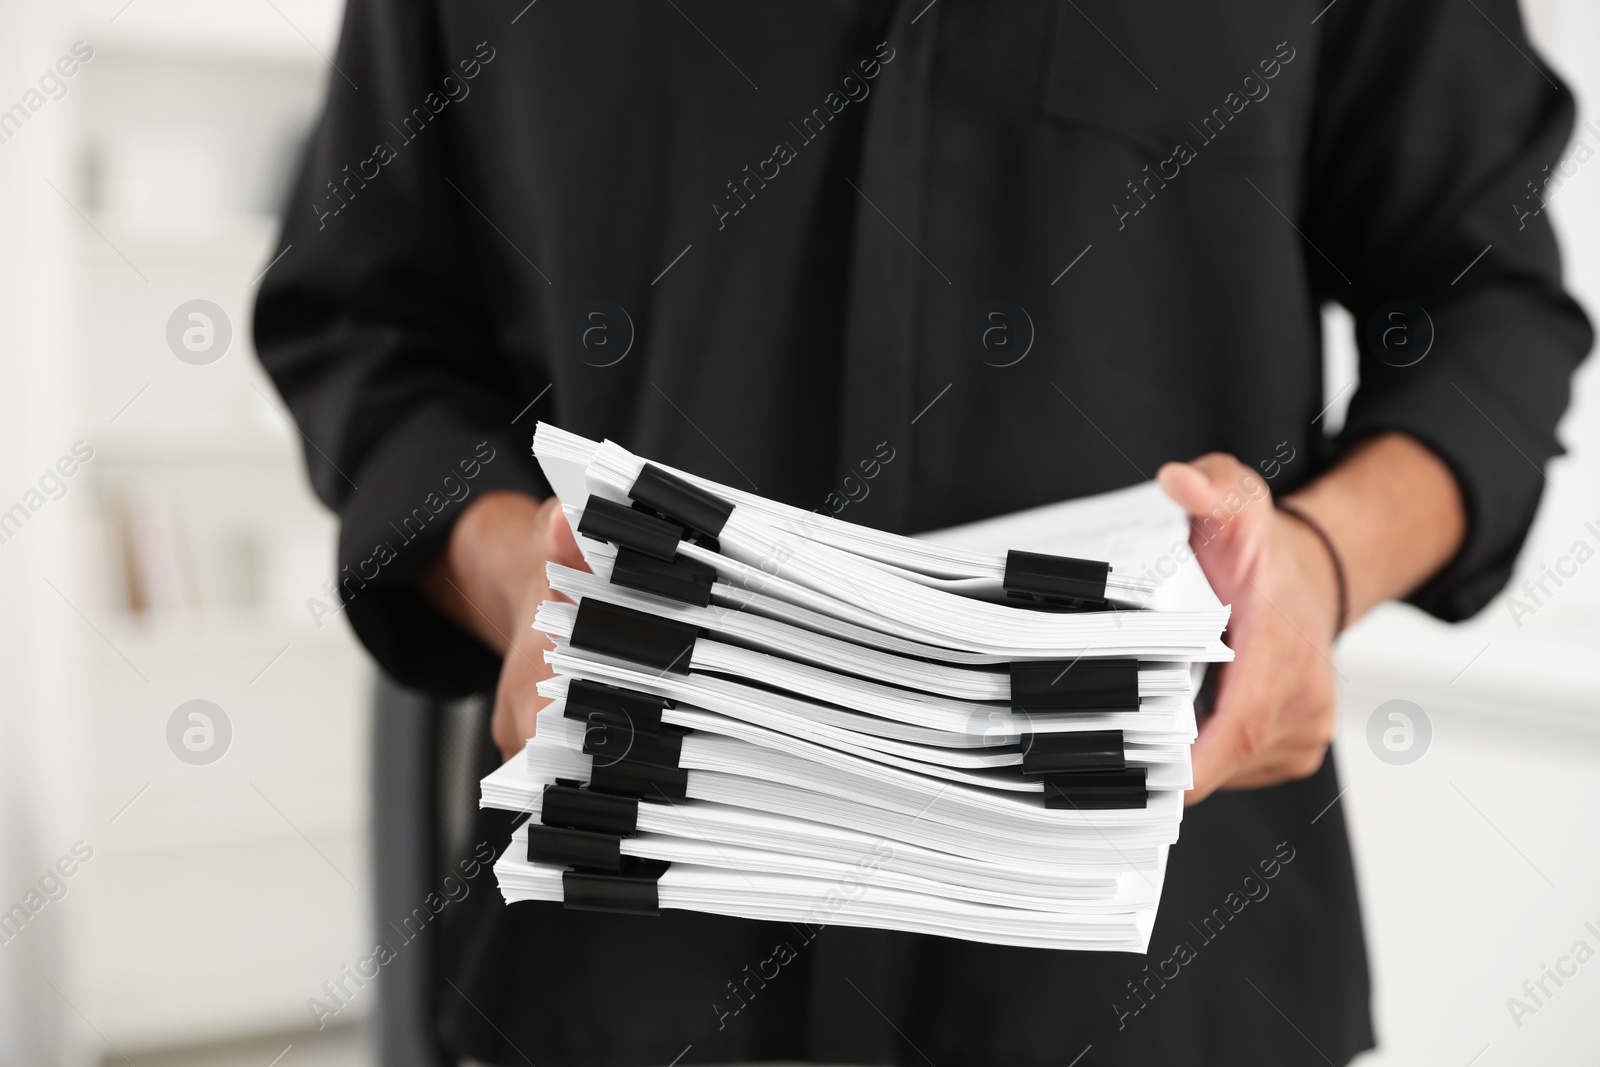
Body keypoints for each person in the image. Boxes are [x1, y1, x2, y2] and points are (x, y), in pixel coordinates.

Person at [254, 1, 1591, 1063]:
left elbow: (1488, 307)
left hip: (1166, 979)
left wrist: (1325, 561)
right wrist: (506, 571)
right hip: (625, 966)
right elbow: (365, 320)